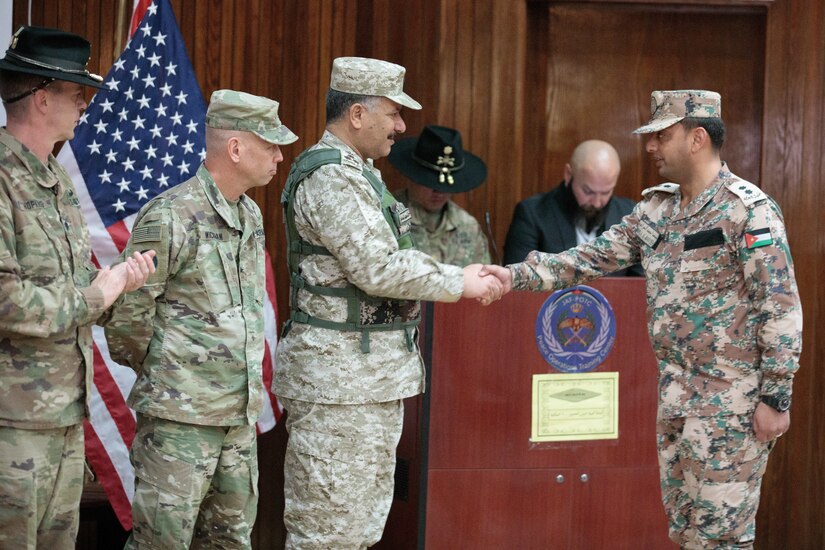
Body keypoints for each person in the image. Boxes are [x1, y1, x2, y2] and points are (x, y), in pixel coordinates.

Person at [483, 90, 802, 549]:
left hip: (731, 407)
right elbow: (590, 257)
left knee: (722, 539)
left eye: (661, 136)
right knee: (686, 532)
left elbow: (781, 308)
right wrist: (513, 276)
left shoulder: (748, 212)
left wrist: (776, 396)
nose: (650, 147)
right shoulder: (657, 209)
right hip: (674, 400)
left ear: (696, 139)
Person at [274, 56, 501, 549]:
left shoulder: (361, 174)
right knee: (326, 535)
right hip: (337, 387)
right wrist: (458, 280)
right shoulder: (332, 177)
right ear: (357, 114)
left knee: (357, 531)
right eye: (394, 113)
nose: (402, 126)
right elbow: (377, 268)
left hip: (365, 382)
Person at [104, 90, 297, 548]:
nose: (279, 154)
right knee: (161, 543)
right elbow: (127, 316)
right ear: (235, 149)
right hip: (179, 422)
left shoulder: (248, 213)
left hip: (236, 417)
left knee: (230, 540)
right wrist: (173, 380)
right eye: (269, 144)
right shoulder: (170, 215)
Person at [0, 26, 155, 547]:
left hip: (64, 414)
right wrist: (97, 295)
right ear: (42, 98)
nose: (85, 105)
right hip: (12, 421)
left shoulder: (56, 178)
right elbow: (8, 300)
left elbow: (66, 281)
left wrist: (120, 282)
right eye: (75, 93)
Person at [503, 139, 642, 277]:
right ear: (568, 174)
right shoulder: (532, 214)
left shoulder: (629, 215)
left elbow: (640, 285)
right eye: (588, 192)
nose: (597, 202)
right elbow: (518, 282)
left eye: (606, 192)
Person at [388, 124, 491, 266]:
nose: (439, 192)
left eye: (445, 186)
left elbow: (482, 277)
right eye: (430, 183)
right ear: (413, 178)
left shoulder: (467, 226)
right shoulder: (388, 216)